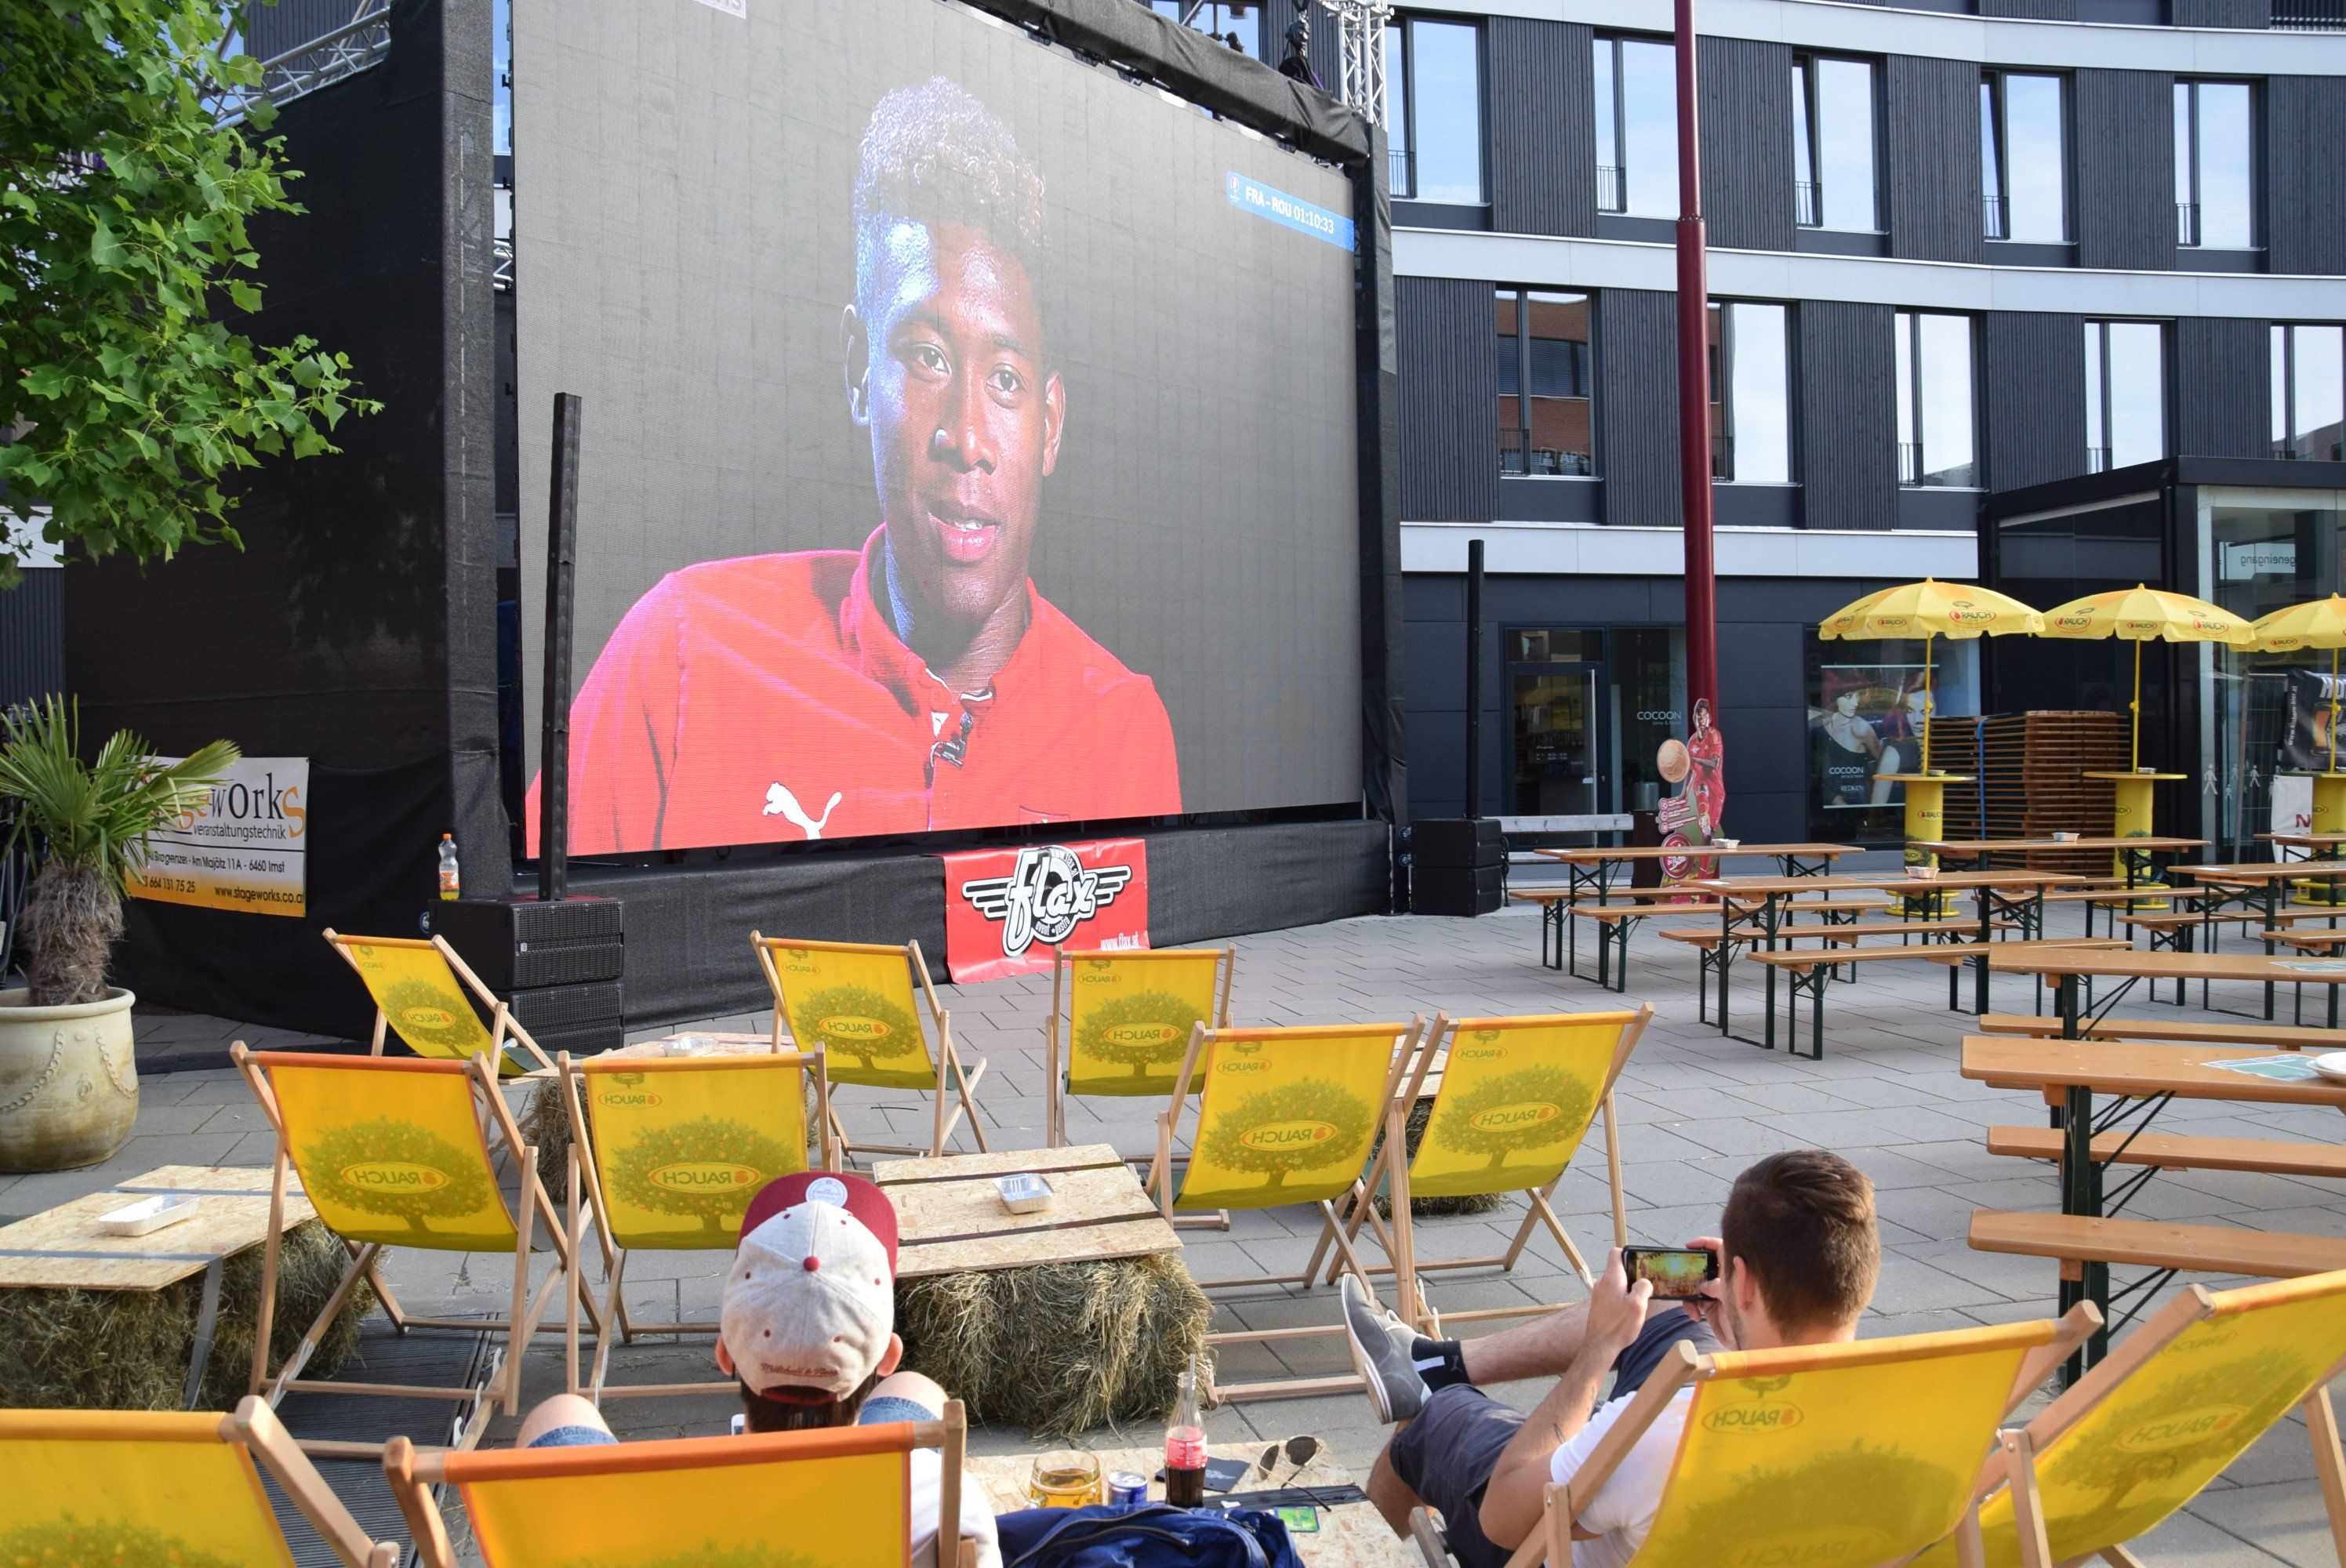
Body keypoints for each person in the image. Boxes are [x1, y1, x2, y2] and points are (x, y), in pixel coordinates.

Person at [528, 77, 1182, 855]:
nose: (967, 437)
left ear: (1051, 425)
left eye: (1006, 379)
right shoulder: (681, 653)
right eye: (928, 357)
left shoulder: (1120, 728)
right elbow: (536, 929)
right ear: (858, 369)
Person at [1340, 1150, 1880, 1568]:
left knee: (1434, 1417)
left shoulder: (1664, 1430)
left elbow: (1502, 1518)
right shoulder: (1914, 1404)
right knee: (1663, 1302)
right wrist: (1741, 1323)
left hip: (1545, 1540)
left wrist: (1600, 1348)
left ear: (1743, 1285)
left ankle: (1426, 1394)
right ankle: (1432, 1361)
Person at [515, 1171, 1002, 1568]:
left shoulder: (622, 1509)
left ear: (724, 1354)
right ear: (886, 1357)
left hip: (668, 1520)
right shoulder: (942, 1501)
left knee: (562, 1411)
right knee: (915, 1389)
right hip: (878, 1501)